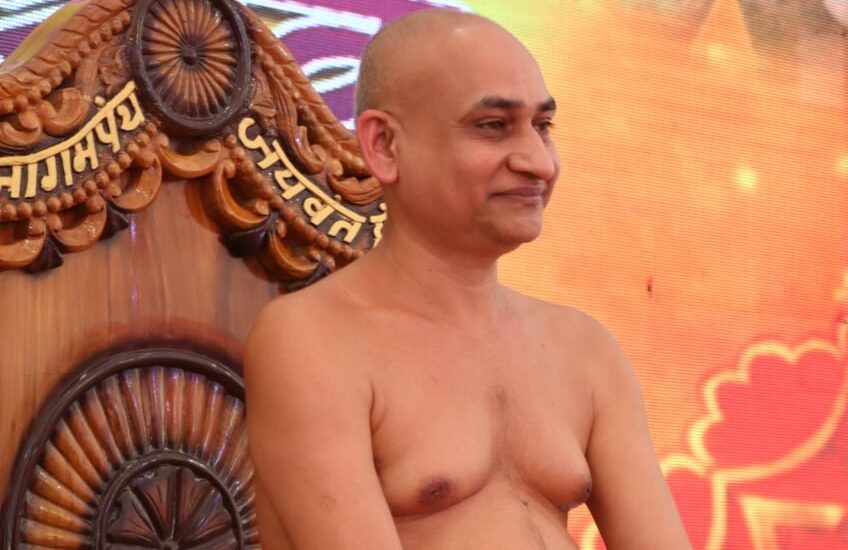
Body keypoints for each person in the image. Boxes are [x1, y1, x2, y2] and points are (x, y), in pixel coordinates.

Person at [243, 10, 691, 549]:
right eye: (493, 126)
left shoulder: (584, 349)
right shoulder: (313, 340)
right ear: (384, 145)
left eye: (543, 127)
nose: (538, 163)